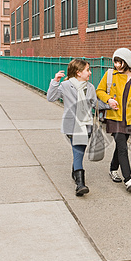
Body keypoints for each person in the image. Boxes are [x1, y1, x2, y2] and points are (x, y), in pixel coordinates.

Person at [96, 48, 131, 192]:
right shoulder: (110, 75)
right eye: (115, 61)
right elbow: (99, 91)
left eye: (119, 62)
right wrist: (109, 99)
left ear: (127, 61)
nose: (116, 65)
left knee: (120, 146)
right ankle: (128, 179)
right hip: (114, 117)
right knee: (122, 147)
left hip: (130, 118)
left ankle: (113, 169)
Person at [47, 58, 97, 197]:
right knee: (78, 151)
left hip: (86, 126)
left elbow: (95, 104)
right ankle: (80, 184)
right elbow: (51, 97)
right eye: (87, 70)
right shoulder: (65, 85)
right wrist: (55, 81)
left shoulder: (90, 87)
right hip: (71, 126)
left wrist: (110, 103)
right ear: (78, 72)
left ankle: (75, 170)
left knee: (79, 153)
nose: (90, 73)